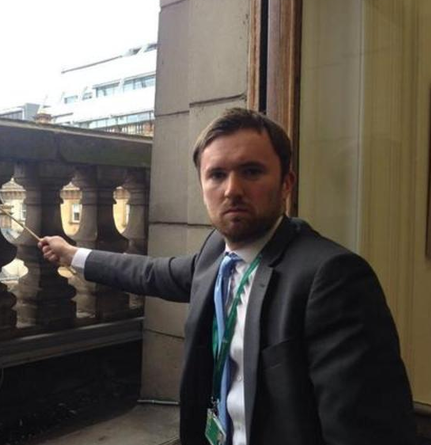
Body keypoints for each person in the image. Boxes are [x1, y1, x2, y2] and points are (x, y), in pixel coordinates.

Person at [38, 108, 416, 445]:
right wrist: (73, 254)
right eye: (217, 175)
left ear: (286, 182)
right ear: (203, 187)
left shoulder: (332, 278)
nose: (232, 190)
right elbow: (152, 273)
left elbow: (365, 432)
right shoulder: (216, 254)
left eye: (251, 171)